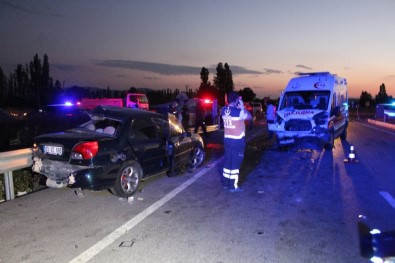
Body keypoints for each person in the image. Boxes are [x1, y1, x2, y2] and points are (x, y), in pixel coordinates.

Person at [221, 92, 252, 192]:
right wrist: (242, 107)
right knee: (235, 163)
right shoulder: (239, 112)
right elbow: (250, 117)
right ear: (236, 100)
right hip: (237, 141)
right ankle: (233, 186)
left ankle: (226, 184)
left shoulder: (223, 110)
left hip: (227, 140)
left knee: (228, 162)